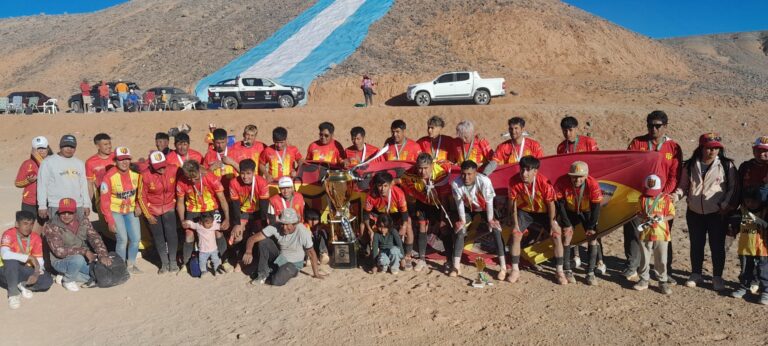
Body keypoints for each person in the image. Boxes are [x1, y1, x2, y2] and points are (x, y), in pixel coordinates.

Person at [624, 110, 682, 281]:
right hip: (640, 197)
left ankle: (664, 271)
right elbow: (629, 167)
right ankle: (632, 267)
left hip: (662, 199)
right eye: (650, 125)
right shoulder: (637, 143)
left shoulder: (673, 147)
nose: (653, 129)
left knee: (663, 233)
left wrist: (665, 194)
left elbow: (675, 174)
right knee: (635, 231)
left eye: (657, 126)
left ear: (665, 126)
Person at [673, 133, 736, 291]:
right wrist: (674, 197)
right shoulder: (690, 165)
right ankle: (696, 274)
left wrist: (724, 204)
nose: (713, 151)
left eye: (716, 148)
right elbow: (683, 186)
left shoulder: (726, 165)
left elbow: (732, 188)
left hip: (717, 213)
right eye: (709, 148)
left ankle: (717, 277)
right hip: (694, 212)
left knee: (717, 246)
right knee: (696, 244)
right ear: (701, 147)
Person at [507, 156, 563, 284]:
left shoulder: (544, 182)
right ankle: (515, 270)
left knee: (556, 235)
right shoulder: (514, 181)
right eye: (522, 169)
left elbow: (551, 204)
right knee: (515, 234)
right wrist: (514, 222)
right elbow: (512, 203)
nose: (524, 173)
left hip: (543, 212)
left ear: (535, 171)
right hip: (525, 211)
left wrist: (553, 223)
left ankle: (559, 271)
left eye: (528, 170)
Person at [450, 160, 507, 279]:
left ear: (476, 173)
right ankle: (456, 267)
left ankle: (503, 268)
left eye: (470, 174)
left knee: (496, 230)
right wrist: (462, 222)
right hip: (468, 208)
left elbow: (489, 202)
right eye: (463, 174)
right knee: (460, 231)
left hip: (485, 208)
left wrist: (490, 220)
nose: (466, 177)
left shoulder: (485, 181)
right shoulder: (456, 183)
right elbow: (459, 204)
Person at [242, 208, 325, 285]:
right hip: (279, 258)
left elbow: (311, 253)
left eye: (287, 224)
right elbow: (252, 239)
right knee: (264, 241)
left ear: (295, 224)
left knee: (277, 281)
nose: (284, 227)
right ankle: (262, 274)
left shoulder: (302, 231)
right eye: (282, 224)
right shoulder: (275, 226)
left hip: (293, 264)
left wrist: (316, 274)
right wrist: (248, 251)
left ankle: (270, 271)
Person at [43, 198, 111, 291]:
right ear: (59, 212)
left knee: (100, 272)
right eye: (63, 213)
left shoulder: (83, 221)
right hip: (61, 261)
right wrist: (84, 251)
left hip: (84, 258)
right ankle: (68, 280)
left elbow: (95, 237)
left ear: (75, 212)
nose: (66, 216)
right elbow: (59, 252)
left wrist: (103, 255)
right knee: (78, 259)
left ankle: (65, 276)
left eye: (70, 212)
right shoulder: (51, 226)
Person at [399, 153, 452, 272]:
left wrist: (443, 218)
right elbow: (401, 180)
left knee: (444, 228)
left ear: (432, 166)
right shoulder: (411, 173)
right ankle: (422, 260)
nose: (422, 171)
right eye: (420, 168)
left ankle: (449, 260)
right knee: (422, 226)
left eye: (425, 168)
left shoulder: (441, 174)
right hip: (423, 201)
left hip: (438, 202)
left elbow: (443, 198)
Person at [176, 160, 230, 274]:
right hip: (193, 209)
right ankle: (185, 264)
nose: (192, 181)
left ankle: (225, 260)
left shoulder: (211, 178)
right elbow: (180, 203)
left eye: (195, 178)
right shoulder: (181, 181)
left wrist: (227, 218)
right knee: (188, 235)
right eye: (189, 178)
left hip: (211, 208)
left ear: (199, 171)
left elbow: (222, 199)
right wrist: (182, 220)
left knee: (218, 232)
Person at [554, 161, 603, 285]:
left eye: (580, 177)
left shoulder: (593, 184)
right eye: (574, 176)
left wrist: (591, 226)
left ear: (586, 176)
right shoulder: (561, 182)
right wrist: (566, 223)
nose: (577, 179)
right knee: (567, 235)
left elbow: (596, 206)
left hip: (586, 211)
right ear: (569, 175)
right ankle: (567, 269)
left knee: (592, 238)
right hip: (569, 211)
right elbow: (560, 205)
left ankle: (590, 273)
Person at [99, 147, 142, 273]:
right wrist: (110, 221)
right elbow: (104, 201)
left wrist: (138, 205)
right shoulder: (109, 177)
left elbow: (140, 193)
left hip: (131, 210)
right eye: (121, 159)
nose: (124, 162)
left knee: (136, 238)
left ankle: (131, 264)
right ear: (115, 161)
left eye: (127, 159)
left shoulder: (136, 174)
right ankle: (120, 266)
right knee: (122, 239)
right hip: (115, 211)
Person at [0, 211, 53, 310]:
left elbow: (39, 261)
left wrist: (36, 274)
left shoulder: (35, 237)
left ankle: (22, 284)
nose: (28, 227)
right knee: (11, 261)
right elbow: (5, 254)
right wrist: (28, 257)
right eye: (25, 223)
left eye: (31, 224)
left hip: (23, 269)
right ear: (17, 224)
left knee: (47, 281)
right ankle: (13, 294)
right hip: (5, 269)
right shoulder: (8, 234)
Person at [633, 174, 675, 295]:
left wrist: (662, 218)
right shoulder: (642, 198)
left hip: (662, 233)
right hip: (646, 232)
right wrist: (645, 217)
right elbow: (638, 213)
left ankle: (662, 281)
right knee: (644, 257)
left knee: (661, 258)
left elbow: (672, 214)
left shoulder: (666, 199)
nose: (651, 193)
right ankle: (644, 280)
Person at [138, 151, 179, 274]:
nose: (162, 169)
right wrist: (148, 215)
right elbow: (141, 196)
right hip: (153, 209)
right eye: (158, 167)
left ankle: (173, 261)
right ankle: (164, 263)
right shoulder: (144, 175)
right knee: (158, 237)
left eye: (163, 165)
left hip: (169, 206)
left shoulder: (173, 169)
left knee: (172, 235)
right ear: (150, 165)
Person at [727, 187, 768, 304]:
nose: (750, 204)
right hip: (745, 247)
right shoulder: (742, 210)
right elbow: (735, 223)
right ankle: (744, 288)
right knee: (745, 270)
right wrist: (733, 227)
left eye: (753, 201)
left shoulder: (765, 212)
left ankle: (765, 292)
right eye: (747, 201)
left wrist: (758, 221)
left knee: (763, 270)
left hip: (762, 248)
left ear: (760, 201)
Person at [228, 159, 270, 271]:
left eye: (248, 173)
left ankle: (260, 259)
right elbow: (235, 205)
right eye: (242, 173)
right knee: (237, 235)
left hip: (258, 212)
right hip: (243, 212)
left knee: (263, 234)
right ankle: (239, 260)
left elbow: (264, 206)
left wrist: (264, 224)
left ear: (254, 172)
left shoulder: (262, 182)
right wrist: (237, 224)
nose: (245, 177)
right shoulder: (234, 183)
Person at [365, 172, 412, 270]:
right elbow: (365, 214)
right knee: (363, 226)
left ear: (391, 184)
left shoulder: (398, 193)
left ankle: (407, 256)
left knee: (408, 225)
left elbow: (404, 213)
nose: (382, 189)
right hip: (380, 216)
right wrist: (370, 230)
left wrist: (403, 227)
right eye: (380, 185)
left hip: (396, 215)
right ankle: (370, 255)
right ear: (376, 185)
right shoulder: (371, 194)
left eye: (385, 186)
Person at [37, 135, 91, 220]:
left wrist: (86, 204)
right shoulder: (48, 162)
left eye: (72, 147)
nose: (69, 149)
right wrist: (42, 205)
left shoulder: (79, 163)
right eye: (66, 146)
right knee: (57, 232)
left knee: (79, 232)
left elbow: (83, 185)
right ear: (60, 146)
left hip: (78, 205)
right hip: (56, 205)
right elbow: (42, 185)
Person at [15, 136, 51, 227]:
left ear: (48, 148)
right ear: (34, 150)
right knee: (27, 227)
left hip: (48, 201)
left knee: (47, 227)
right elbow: (17, 183)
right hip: (29, 202)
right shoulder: (27, 164)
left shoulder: (52, 163)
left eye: (43, 148)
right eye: (38, 148)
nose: (41, 150)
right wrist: (28, 181)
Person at [183, 213, 223, 277]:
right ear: (201, 222)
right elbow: (191, 224)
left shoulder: (213, 225)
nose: (210, 225)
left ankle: (216, 270)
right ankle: (204, 271)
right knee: (202, 262)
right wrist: (186, 222)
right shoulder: (198, 226)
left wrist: (223, 226)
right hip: (203, 250)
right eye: (208, 223)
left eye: (211, 222)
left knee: (216, 260)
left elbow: (220, 226)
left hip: (213, 249)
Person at [736, 136, 768, 201]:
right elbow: (737, 187)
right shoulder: (745, 166)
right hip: (747, 205)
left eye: (765, 151)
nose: (761, 153)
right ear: (753, 150)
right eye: (758, 150)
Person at [85, 133, 115, 201]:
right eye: (105, 144)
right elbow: (90, 183)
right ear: (97, 146)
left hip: (119, 195)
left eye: (109, 143)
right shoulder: (90, 162)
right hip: (103, 197)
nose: (109, 146)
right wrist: (93, 201)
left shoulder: (116, 156)